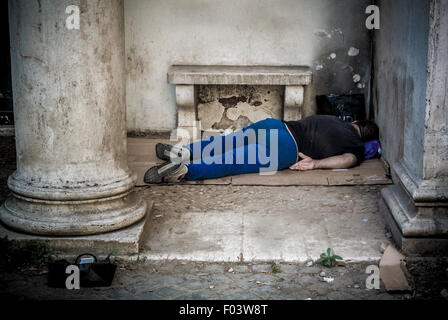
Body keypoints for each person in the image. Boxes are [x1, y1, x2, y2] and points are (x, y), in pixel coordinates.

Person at [144, 115, 379, 184]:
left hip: (276, 125)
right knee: (232, 161)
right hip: (288, 148)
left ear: (356, 123)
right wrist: (315, 163)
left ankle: (181, 153)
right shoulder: (356, 146)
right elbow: (347, 160)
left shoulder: (334, 119)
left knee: (226, 142)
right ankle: (184, 171)